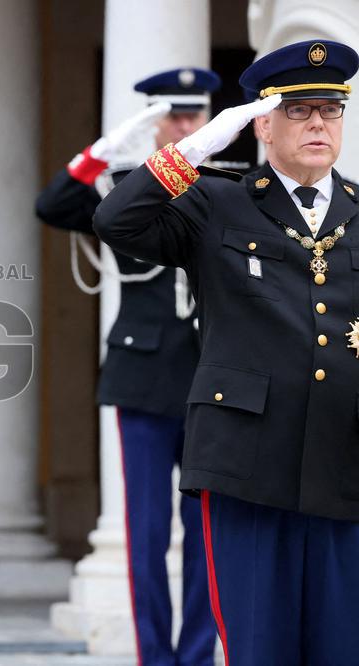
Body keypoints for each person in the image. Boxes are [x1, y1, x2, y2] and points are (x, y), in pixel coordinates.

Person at [94, 40, 359, 665]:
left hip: (345, 466)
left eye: (330, 109)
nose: (318, 123)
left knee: (342, 647)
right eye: (298, 111)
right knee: (258, 647)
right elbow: (116, 221)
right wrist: (195, 149)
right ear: (261, 124)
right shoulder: (219, 201)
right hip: (247, 466)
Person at [35, 69, 220, 666]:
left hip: (210, 378)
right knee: (144, 532)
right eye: (174, 116)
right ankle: (155, 657)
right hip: (142, 377)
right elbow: (53, 204)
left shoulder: (222, 185)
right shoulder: (122, 186)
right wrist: (104, 151)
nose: (185, 125)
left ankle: (195, 654)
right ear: (154, 119)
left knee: (205, 532)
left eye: (195, 115)